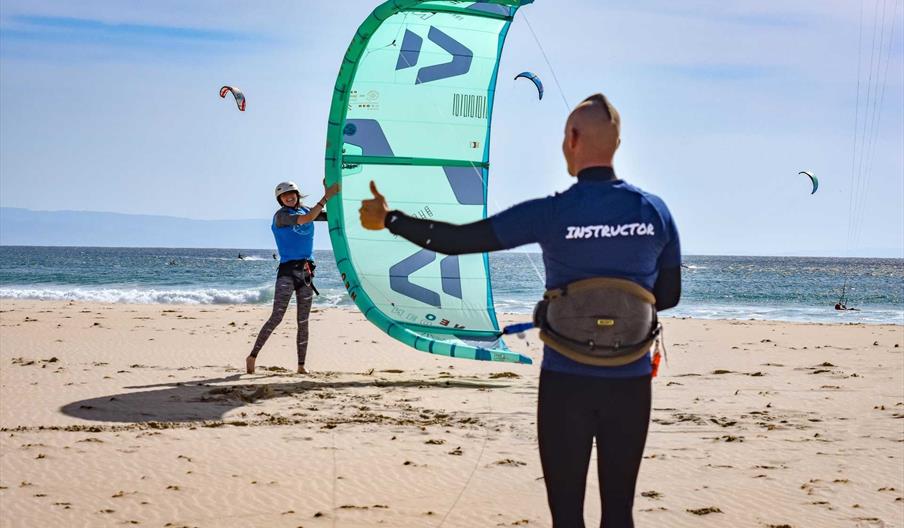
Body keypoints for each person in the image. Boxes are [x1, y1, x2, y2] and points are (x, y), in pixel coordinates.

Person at [359, 93, 681, 527]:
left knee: (566, 514)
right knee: (619, 511)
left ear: (571, 138)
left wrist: (390, 219)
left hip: (567, 380)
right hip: (630, 380)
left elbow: (459, 242)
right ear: (618, 144)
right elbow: (670, 295)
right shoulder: (656, 211)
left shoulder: (550, 212)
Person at [246, 180, 339, 375]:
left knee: (303, 321)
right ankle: (253, 355)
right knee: (277, 317)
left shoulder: (305, 210)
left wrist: (328, 191)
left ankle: (301, 366)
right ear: (280, 200)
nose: (289, 198)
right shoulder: (281, 216)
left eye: (292, 194)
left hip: (306, 274)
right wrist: (326, 195)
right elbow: (307, 220)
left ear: (297, 194)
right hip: (287, 273)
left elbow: (330, 216)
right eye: (284, 196)